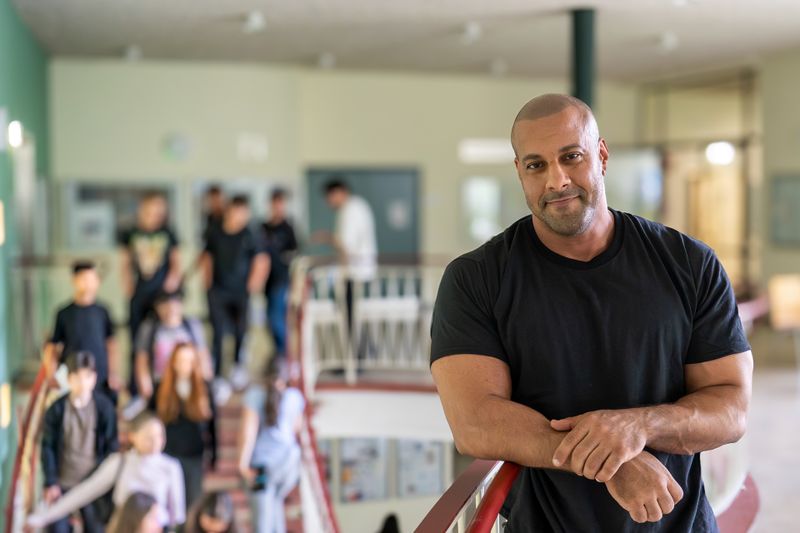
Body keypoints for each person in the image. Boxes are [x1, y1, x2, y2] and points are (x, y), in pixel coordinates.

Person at [430, 93, 753, 532]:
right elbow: (475, 422)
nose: (556, 180)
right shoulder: (476, 278)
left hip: (678, 523)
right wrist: (613, 463)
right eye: (536, 165)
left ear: (601, 156)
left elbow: (730, 407)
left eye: (571, 156)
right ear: (519, 172)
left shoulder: (689, 263)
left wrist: (635, 427)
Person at [28, 411, 186, 531]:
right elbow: (85, 492)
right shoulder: (121, 462)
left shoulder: (170, 467)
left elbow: (177, 516)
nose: (155, 442)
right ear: (132, 436)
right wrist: (44, 517)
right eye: (148, 437)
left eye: (159, 436)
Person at [41, 351, 119, 533]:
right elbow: (48, 446)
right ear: (69, 378)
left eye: (87, 376)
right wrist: (51, 481)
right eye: (76, 377)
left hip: (93, 485)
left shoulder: (104, 408)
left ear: (94, 378)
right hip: (63, 484)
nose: (82, 382)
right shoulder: (56, 410)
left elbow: (111, 447)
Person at [201, 195, 269, 384]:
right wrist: (207, 283)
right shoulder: (215, 232)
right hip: (218, 290)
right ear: (229, 211)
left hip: (240, 292)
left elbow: (262, 260)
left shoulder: (251, 234)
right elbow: (206, 257)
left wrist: (252, 286)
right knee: (218, 332)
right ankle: (216, 372)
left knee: (240, 330)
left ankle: (238, 366)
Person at [119, 192, 182, 394]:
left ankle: (162, 384)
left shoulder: (168, 233)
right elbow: (125, 262)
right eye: (151, 208)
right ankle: (135, 387)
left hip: (160, 296)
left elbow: (175, 263)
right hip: (139, 294)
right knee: (136, 339)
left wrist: (169, 292)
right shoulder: (131, 232)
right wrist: (128, 285)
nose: (155, 213)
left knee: (160, 339)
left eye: (159, 209)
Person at [238, 358, 305, 533]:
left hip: (262, 468)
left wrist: (242, 464)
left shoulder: (254, 394)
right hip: (288, 465)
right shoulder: (295, 397)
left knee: (262, 523)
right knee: (275, 508)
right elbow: (296, 428)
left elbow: (248, 433)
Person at [45, 261, 119, 402]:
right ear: (74, 281)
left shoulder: (103, 311)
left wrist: (113, 373)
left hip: (100, 376)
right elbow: (53, 347)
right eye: (84, 279)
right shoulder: (64, 313)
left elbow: (112, 345)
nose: (88, 283)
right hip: (72, 376)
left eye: (92, 279)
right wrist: (51, 375)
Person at [322, 179, 377, 356]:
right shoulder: (357, 206)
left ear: (339, 192)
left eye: (329, 197)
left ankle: (356, 360)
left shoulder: (351, 210)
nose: (329, 202)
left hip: (355, 274)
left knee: (352, 318)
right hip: (359, 272)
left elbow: (347, 245)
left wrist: (328, 238)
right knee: (355, 317)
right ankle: (359, 356)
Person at [155, 343, 213, 510]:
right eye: (180, 360)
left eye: (189, 360)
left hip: (194, 455)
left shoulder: (204, 387)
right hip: (169, 453)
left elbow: (211, 425)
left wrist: (214, 454)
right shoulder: (161, 387)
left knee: (193, 505)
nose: (184, 365)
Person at [133, 289, 211, 404]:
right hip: (160, 385)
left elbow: (203, 355)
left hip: (188, 384)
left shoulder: (191, 326)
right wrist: (146, 388)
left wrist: (204, 384)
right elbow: (142, 360)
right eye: (164, 304)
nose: (170, 309)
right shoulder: (150, 328)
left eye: (174, 304)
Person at [262, 188, 298, 358]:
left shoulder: (288, 229)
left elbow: (294, 255)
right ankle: (278, 353)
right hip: (266, 281)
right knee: (269, 320)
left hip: (282, 280)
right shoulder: (263, 227)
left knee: (277, 318)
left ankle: (285, 354)